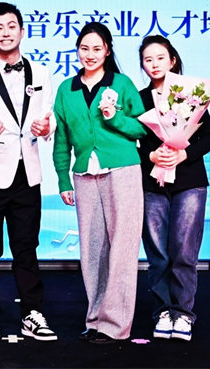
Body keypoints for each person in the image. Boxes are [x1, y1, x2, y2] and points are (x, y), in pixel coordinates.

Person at [0, 2, 57, 344]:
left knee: (26, 248)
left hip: (27, 173)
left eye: (11, 25)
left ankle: (32, 313)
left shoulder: (42, 73)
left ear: (22, 30)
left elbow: (49, 117)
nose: (6, 32)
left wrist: (48, 127)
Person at [52, 22, 146, 344]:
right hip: (84, 175)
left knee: (122, 248)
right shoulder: (66, 89)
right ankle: (95, 320)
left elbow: (143, 128)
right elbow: (61, 139)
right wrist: (63, 178)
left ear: (107, 51)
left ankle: (115, 326)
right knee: (92, 250)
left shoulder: (122, 84)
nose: (89, 55)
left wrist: (114, 117)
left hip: (123, 170)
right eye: (84, 48)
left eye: (96, 48)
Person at [137, 35, 210, 342]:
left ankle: (183, 313)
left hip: (189, 182)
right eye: (148, 59)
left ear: (172, 60)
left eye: (160, 57)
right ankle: (163, 311)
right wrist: (151, 155)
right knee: (158, 255)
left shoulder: (190, 95)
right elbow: (132, 141)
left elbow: (209, 138)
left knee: (184, 251)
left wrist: (183, 154)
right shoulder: (138, 99)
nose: (154, 64)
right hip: (151, 184)